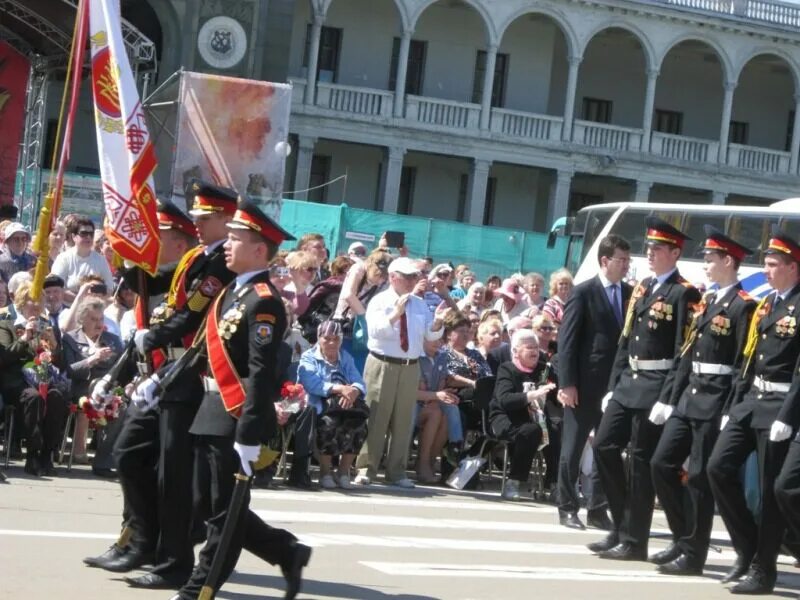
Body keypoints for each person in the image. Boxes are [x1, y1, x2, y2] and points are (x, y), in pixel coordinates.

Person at [89, 190, 235, 586]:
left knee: (179, 476)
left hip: (189, 372)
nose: (199, 224)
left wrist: (152, 338)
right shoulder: (195, 258)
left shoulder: (224, 261)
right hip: (165, 370)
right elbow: (160, 286)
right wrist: (126, 240)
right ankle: (142, 542)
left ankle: (172, 562)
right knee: (130, 452)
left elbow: (193, 314)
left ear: (224, 219)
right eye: (197, 218)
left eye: (205, 218)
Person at [171, 198, 311, 600]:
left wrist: (249, 433)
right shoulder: (233, 292)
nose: (227, 244)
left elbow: (261, 374)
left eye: (236, 238)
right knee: (206, 504)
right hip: (209, 409)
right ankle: (285, 550)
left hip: (234, 415)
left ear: (258, 249)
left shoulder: (263, 301)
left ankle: (200, 588)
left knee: (223, 513)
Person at [589, 217, 700, 561]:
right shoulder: (643, 287)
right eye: (648, 248)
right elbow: (626, 340)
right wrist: (613, 384)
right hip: (628, 383)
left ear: (675, 253)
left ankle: (635, 540)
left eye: (657, 249)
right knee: (605, 445)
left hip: (656, 386)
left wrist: (669, 397)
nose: (649, 254)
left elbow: (685, 351)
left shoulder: (684, 292)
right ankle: (621, 524)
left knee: (639, 462)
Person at [649, 227, 756, 577]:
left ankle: (694, 554)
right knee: (661, 464)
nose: (705, 265)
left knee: (698, 478)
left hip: (715, 399)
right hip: (689, 394)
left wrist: (730, 408)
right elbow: (687, 352)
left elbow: (744, 363)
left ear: (728, 260)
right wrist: (669, 397)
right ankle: (683, 537)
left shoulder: (743, 306)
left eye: (710, 259)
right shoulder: (708, 300)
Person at [707, 229, 800, 593]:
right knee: (718, 468)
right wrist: (734, 406)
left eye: (774, 264)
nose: (767, 269)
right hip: (751, 403)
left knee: (771, 491)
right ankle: (748, 549)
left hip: (780, 407)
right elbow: (748, 360)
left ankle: (764, 569)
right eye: (766, 262)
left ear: (794, 268)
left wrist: (788, 417)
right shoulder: (767, 304)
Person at [556, 234, 632, 531]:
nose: (626, 266)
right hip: (584, 385)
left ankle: (598, 507)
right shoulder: (583, 292)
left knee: (606, 447)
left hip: (615, 386)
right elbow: (568, 341)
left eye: (628, 260)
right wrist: (567, 383)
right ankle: (567, 506)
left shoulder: (629, 293)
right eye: (621, 260)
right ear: (605, 260)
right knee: (572, 448)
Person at [356, 257, 446, 488]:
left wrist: (436, 324)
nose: (412, 280)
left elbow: (430, 335)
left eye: (414, 276)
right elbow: (376, 332)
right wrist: (395, 314)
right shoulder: (379, 301)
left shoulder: (419, 303)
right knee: (377, 416)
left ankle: (397, 471)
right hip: (382, 363)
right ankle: (367, 468)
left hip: (410, 366)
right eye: (407, 276)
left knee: (404, 420)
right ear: (393, 277)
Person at [0, 281, 63, 474]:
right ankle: (32, 454)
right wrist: (24, 338)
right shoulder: (6, 324)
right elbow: (4, 357)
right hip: (16, 381)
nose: (36, 305)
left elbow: (60, 364)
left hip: (44, 379)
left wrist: (54, 345)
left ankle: (47, 454)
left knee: (57, 397)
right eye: (31, 300)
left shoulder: (47, 325)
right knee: (33, 398)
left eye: (40, 301)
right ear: (20, 302)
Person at [297, 320, 368, 489]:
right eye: (327, 338)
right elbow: (312, 384)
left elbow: (359, 381)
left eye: (336, 339)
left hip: (345, 404)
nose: (331, 343)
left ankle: (343, 472)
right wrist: (339, 389)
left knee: (359, 425)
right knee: (329, 424)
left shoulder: (345, 357)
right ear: (318, 338)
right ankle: (325, 472)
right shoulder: (308, 357)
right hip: (318, 403)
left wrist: (353, 391)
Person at [489, 329, 557, 500]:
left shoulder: (545, 370)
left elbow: (557, 397)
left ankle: (555, 483)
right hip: (507, 417)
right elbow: (504, 400)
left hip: (536, 417)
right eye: (528, 347)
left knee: (556, 428)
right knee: (531, 431)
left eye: (535, 347)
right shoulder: (507, 369)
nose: (534, 351)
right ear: (515, 351)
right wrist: (532, 395)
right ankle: (514, 482)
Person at [62, 297, 124, 476]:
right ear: (82, 319)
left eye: (101, 319)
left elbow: (122, 367)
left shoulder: (112, 340)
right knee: (88, 401)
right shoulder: (70, 339)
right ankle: (79, 451)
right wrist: (92, 360)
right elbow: (70, 370)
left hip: (107, 388)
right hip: (80, 387)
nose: (99, 324)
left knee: (121, 405)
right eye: (93, 319)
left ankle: (104, 458)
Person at [333, 248, 392, 372]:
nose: (381, 279)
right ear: (371, 265)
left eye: (385, 275)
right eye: (379, 274)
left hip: (366, 327)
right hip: (346, 323)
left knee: (359, 366)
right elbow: (349, 295)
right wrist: (363, 316)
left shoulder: (385, 280)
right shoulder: (358, 269)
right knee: (341, 363)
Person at [51, 217, 114, 302]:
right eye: (83, 233)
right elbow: (57, 288)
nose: (88, 237)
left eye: (91, 234)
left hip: (94, 308)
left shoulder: (101, 260)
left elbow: (109, 289)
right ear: (74, 237)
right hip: (67, 308)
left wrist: (92, 303)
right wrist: (80, 301)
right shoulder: (63, 258)